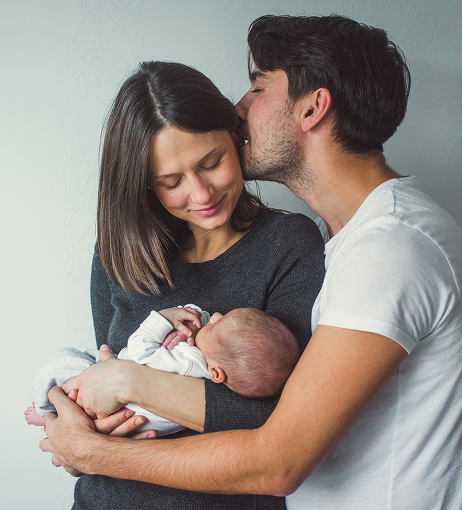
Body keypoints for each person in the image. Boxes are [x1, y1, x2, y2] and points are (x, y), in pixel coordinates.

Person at [40, 15, 462, 510]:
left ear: (313, 107)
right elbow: (105, 377)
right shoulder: (357, 240)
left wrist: (98, 442)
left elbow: (276, 457)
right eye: (170, 180)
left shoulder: (390, 249)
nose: (239, 108)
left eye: (257, 87)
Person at [39, 59, 325, 510]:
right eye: (171, 182)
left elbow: (282, 425)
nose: (201, 194)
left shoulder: (288, 245)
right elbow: (103, 384)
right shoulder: (119, 254)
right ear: (144, 186)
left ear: (236, 137)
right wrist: (78, 434)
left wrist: (127, 387)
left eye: (211, 163)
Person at [25, 304, 299, 435]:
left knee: (64, 361)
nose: (214, 315)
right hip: (122, 419)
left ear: (216, 372)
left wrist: (164, 319)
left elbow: (140, 349)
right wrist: (195, 318)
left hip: (111, 400)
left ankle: (45, 410)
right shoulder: (208, 368)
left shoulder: (190, 362)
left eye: (217, 323)